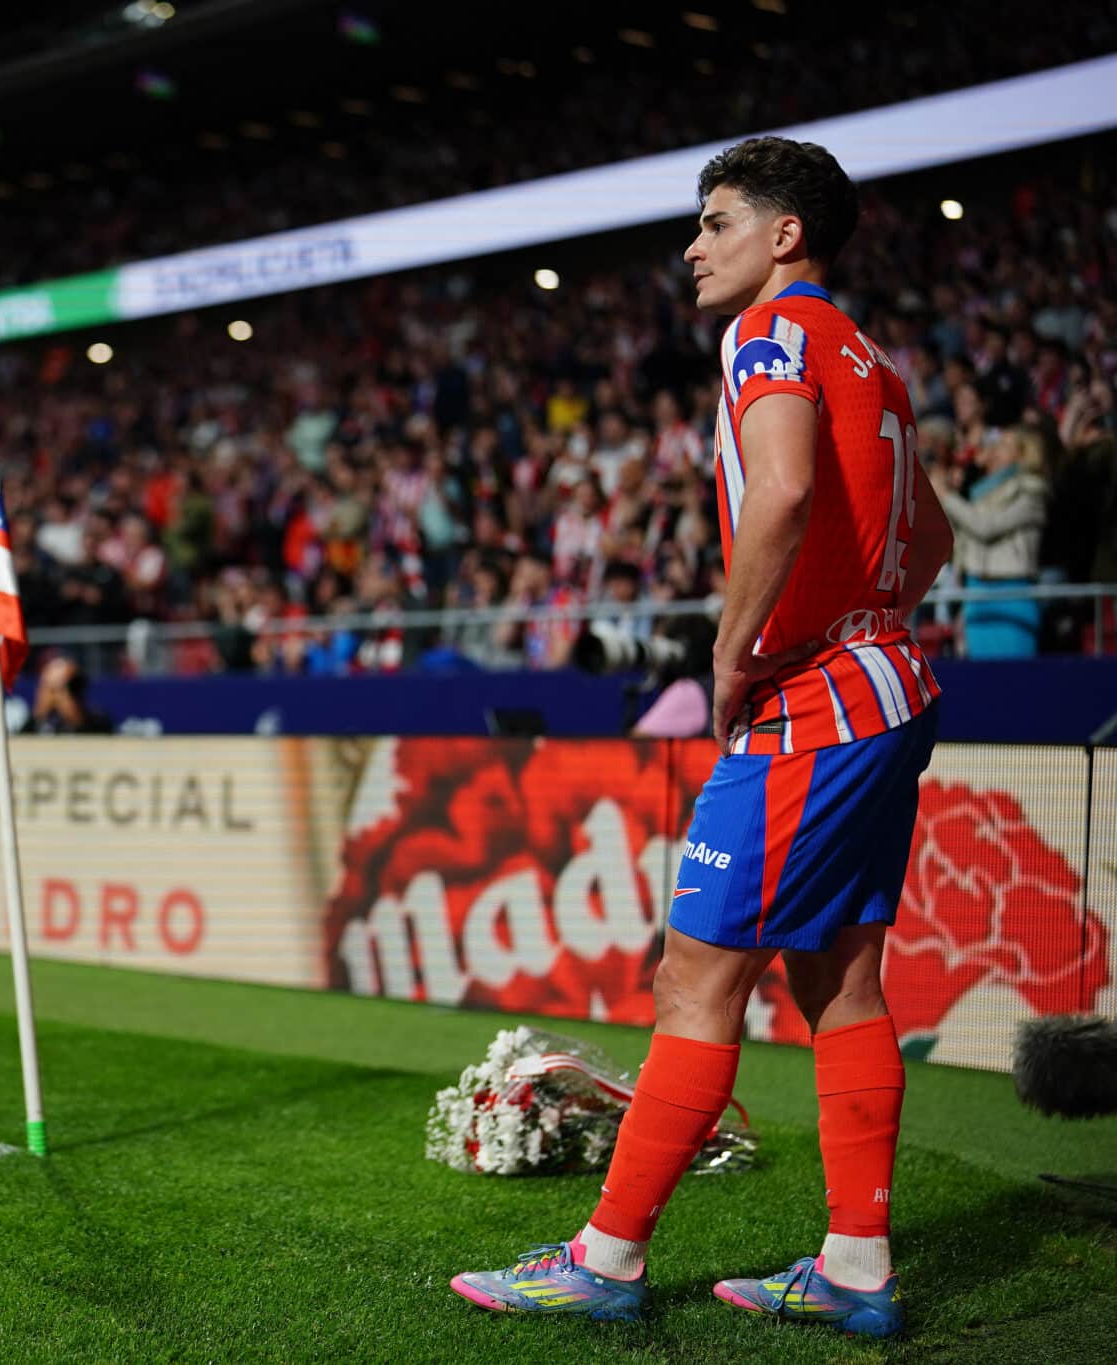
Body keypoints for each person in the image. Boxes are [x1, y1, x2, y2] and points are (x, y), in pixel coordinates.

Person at [452, 137, 954, 1339]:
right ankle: (853, 1269)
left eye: (715, 221)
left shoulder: (766, 333)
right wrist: (856, 612)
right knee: (838, 980)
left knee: (694, 981)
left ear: (784, 236)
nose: (692, 247)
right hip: (888, 683)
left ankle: (604, 1260)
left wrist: (734, 652)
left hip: (813, 701)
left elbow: (778, 491)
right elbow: (928, 540)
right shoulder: (870, 359)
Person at [936, 425, 1048, 659]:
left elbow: (986, 526)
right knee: (981, 674)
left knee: (1016, 674)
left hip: (1011, 593)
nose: (995, 449)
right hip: (976, 592)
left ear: (1022, 455)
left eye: (1005, 446)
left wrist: (948, 497)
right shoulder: (979, 493)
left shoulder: (1031, 493)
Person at [29, 656, 113, 735]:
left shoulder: (99, 721)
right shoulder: (34, 725)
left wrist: (75, 718)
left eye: (59, 689)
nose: (54, 697)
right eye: (46, 688)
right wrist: (38, 717)